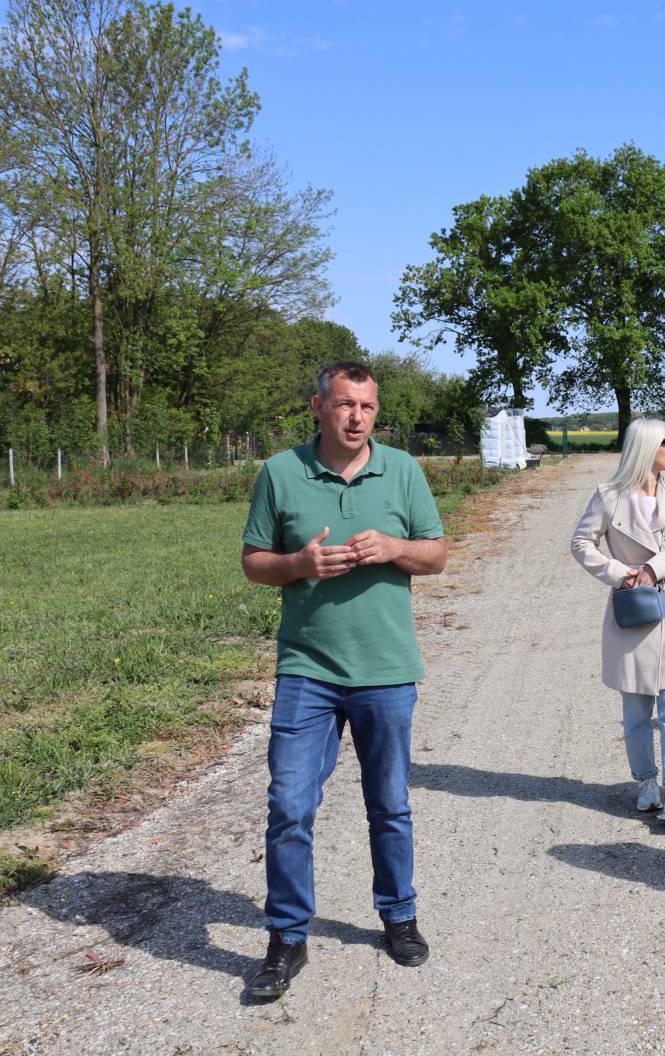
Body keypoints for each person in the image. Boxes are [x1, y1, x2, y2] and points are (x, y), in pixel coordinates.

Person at [240, 362, 448, 999]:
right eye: (344, 405)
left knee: (389, 803)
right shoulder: (280, 472)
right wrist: (299, 562)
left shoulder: (403, 471)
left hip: (386, 669)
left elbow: (436, 554)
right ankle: (287, 937)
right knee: (289, 804)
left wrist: (394, 547)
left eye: (367, 407)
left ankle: (398, 916)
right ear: (318, 407)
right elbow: (253, 562)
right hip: (307, 668)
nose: (357, 418)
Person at [570, 418, 665, 824]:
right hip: (632, 612)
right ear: (647, 448)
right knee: (636, 710)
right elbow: (581, 542)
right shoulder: (608, 496)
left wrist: (654, 566)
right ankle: (646, 782)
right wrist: (617, 572)